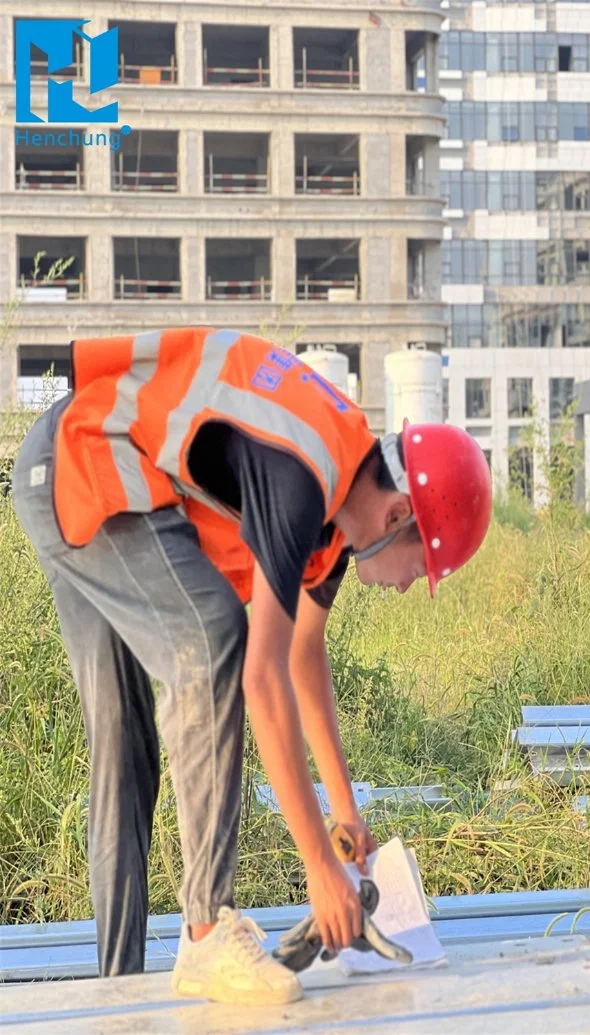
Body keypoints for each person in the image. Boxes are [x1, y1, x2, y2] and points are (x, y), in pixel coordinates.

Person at [11, 327, 492, 1005]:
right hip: (87, 457)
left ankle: (115, 994)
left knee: (123, 744)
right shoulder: (305, 476)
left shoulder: (337, 512)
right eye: (424, 566)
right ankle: (206, 927)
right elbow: (261, 676)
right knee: (214, 641)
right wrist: (320, 870)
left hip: (79, 471)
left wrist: (345, 818)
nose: (412, 585)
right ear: (400, 512)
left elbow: (302, 657)